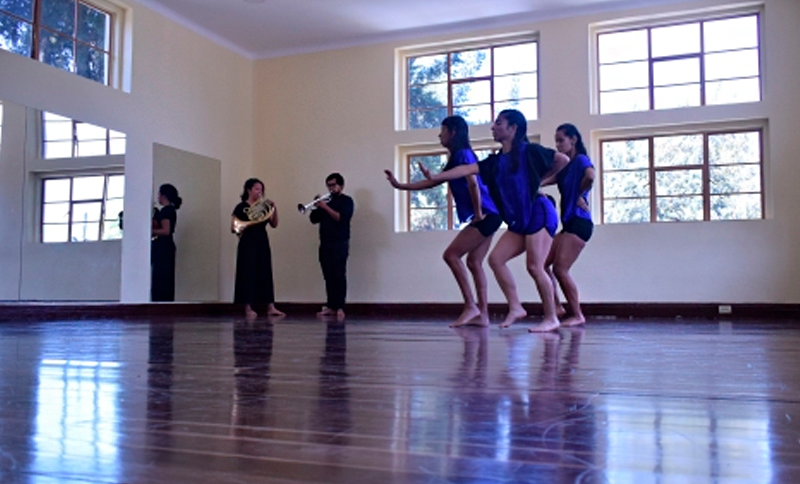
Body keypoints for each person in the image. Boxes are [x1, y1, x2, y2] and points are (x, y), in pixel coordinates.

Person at [421, 109, 569, 332]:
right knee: (496, 259)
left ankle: (552, 316)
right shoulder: (496, 161)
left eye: (498, 123)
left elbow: (563, 159)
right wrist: (436, 176)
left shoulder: (530, 151)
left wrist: (540, 181)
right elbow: (466, 170)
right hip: (520, 220)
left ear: (513, 128)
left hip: (539, 211)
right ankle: (516, 307)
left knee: (534, 266)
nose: (493, 127)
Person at [384, 115, 502, 327]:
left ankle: (471, 306)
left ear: (453, 132)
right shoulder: (456, 157)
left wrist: (477, 214)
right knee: (474, 262)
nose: (440, 134)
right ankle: (483, 315)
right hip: (491, 215)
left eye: (442, 130)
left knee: (451, 255)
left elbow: (473, 183)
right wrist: (400, 186)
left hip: (487, 214)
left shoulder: (464, 154)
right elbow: (432, 183)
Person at [542, 123, 595, 327]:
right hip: (569, 224)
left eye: (561, 140)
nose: (557, 144)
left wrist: (582, 194)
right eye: (556, 141)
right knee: (542, 264)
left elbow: (590, 176)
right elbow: (549, 179)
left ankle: (577, 314)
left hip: (580, 223)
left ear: (573, 140)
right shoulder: (566, 166)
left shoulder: (581, 159)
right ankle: (556, 307)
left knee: (560, 269)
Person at [232, 178, 285, 319]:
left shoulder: (263, 207)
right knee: (247, 273)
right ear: (248, 190)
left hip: (262, 240)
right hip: (247, 241)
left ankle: (270, 307)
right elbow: (234, 227)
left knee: (265, 272)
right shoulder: (241, 207)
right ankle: (247, 307)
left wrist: (274, 209)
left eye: (261, 189)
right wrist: (250, 222)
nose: (259, 192)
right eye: (256, 189)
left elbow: (274, 224)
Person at [309, 173, 354, 321]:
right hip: (325, 243)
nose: (330, 188)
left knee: (339, 275)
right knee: (328, 276)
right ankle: (330, 306)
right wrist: (316, 206)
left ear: (341, 185)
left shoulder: (347, 201)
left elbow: (341, 218)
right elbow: (313, 219)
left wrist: (325, 207)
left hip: (340, 242)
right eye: (328, 185)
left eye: (333, 185)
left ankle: (340, 307)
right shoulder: (325, 202)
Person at [151, 183, 182, 302]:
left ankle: (161, 304)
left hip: (164, 249)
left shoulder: (167, 211)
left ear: (163, 195)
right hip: (164, 248)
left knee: (162, 279)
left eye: (159, 194)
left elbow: (166, 231)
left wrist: (149, 231)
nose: (158, 197)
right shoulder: (167, 210)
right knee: (163, 278)